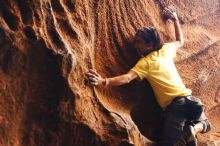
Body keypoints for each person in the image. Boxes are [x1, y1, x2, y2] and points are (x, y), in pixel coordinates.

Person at [86, 7, 211, 146]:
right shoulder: (166, 50)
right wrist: (175, 19)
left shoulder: (145, 63)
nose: (135, 45)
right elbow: (180, 41)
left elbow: (127, 78)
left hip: (176, 107)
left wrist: (103, 81)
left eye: (138, 41)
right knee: (205, 123)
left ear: (150, 45)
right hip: (190, 101)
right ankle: (193, 128)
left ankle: (190, 130)